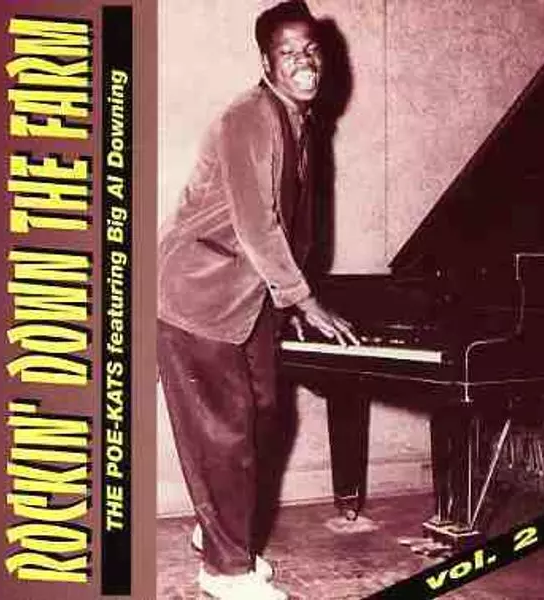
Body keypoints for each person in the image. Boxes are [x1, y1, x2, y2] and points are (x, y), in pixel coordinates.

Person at [157, 2, 358, 598]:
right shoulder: (249, 117)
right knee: (224, 431)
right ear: (266, 62)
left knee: (267, 416)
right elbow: (256, 225)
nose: (304, 62)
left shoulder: (300, 121)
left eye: (312, 49)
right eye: (288, 52)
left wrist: (287, 300)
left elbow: (292, 229)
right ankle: (226, 571)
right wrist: (306, 301)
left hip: (248, 299)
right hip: (197, 294)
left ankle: (217, 527)